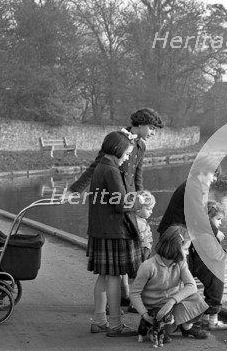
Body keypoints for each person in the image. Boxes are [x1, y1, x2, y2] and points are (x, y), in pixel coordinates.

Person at [67, 108, 163, 305]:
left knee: (125, 256)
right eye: (152, 128)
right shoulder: (117, 141)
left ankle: (124, 294)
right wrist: (74, 190)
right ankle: (116, 303)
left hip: (127, 205)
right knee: (115, 261)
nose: (153, 133)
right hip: (112, 206)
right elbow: (96, 166)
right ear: (141, 124)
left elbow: (137, 177)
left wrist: (141, 200)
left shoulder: (141, 146)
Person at [157, 156, 227, 330]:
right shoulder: (193, 187)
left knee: (205, 270)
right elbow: (199, 217)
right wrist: (216, 233)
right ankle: (185, 321)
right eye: (213, 175)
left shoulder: (194, 186)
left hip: (184, 237)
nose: (214, 179)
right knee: (184, 278)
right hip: (174, 239)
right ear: (203, 171)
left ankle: (201, 318)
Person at [87, 131, 144, 337]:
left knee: (103, 276)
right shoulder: (111, 170)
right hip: (113, 230)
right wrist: (140, 203)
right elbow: (122, 203)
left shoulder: (101, 166)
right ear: (118, 149)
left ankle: (100, 320)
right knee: (114, 277)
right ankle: (114, 325)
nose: (128, 157)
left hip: (101, 229)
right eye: (127, 153)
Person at [129, 225, 209, 340]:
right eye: (185, 249)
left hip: (171, 304)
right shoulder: (148, 266)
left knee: (196, 299)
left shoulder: (181, 262)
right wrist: (145, 315)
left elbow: (191, 286)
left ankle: (187, 327)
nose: (187, 253)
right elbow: (134, 293)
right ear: (175, 248)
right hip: (154, 309)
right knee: (164, 329)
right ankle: (152, 329)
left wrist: (172, 301)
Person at [194, 201, 227, 330]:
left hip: (203, 266)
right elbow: (214, 253)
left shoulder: (201, 231)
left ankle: (205, 318)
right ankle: (212, 322)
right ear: (208, 218)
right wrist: (226, 254)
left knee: (210, 291)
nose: (220, 223)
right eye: (218, 219)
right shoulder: (206, 234)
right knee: (216, 292)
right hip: (209, 268)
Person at [121, 190, 156, 302]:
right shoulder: (139, 223)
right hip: (141, 252)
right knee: (141, 277)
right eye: (149, 209)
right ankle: (135, 302)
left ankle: (125, 295)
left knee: (124, 273)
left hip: (134, 251)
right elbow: (141, 239)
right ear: (138, 208)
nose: (151, 212)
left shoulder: (135, 220)